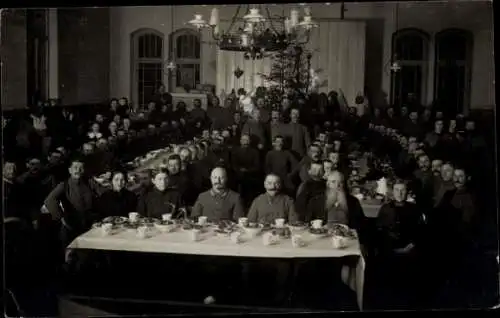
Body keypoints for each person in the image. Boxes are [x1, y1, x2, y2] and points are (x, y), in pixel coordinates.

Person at [372, 179, 425, 309]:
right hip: (389, 249)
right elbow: (379, 232)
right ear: (392, 192)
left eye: (403, 190)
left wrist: (410, 246)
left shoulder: (415, 209)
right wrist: (389, 248)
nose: (399, 193)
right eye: (397, 190)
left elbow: (421, 231)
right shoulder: (385, 208)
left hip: (410, 248)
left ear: (407, 192)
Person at [44, 158, 98, 254]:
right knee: (71, 255)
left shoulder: (89, 182)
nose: (78, 170)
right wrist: (61, 217)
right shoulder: (64, 185)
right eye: (75, 167)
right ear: (70, 170)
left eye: (81, 168)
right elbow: (49, 200)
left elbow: (103, 194)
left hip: (89, 224)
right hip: (71, 225)